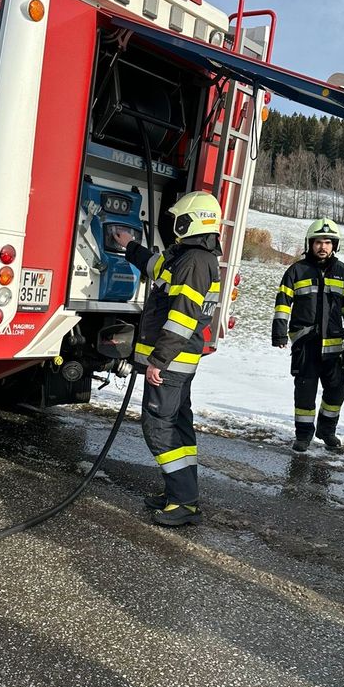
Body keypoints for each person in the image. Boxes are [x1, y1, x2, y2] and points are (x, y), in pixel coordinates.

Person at [113, 191, 222, 527]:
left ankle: (184, 502)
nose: (175, 224)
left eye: (180, 218)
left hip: (171, 363)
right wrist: (130, 245)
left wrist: (158, 360)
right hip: (178, 362)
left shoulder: (193, 262)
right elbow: (154, 266)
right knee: (177, 424)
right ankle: (181, 493)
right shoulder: (187, 257)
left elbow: (183, 318)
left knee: (158, 428)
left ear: (194, 221)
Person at [272, 218, 344, 452]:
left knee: (336, 392)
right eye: (318, 242)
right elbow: (283, 303)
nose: (323, 247)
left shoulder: (343, 272)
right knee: (305, 393)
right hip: (306, 345)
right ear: (309, 244)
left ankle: (327, 430)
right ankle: (303, 435)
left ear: (334, 245)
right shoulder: (296, 271)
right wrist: (279, 333)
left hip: (334, 347)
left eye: (328, 242)